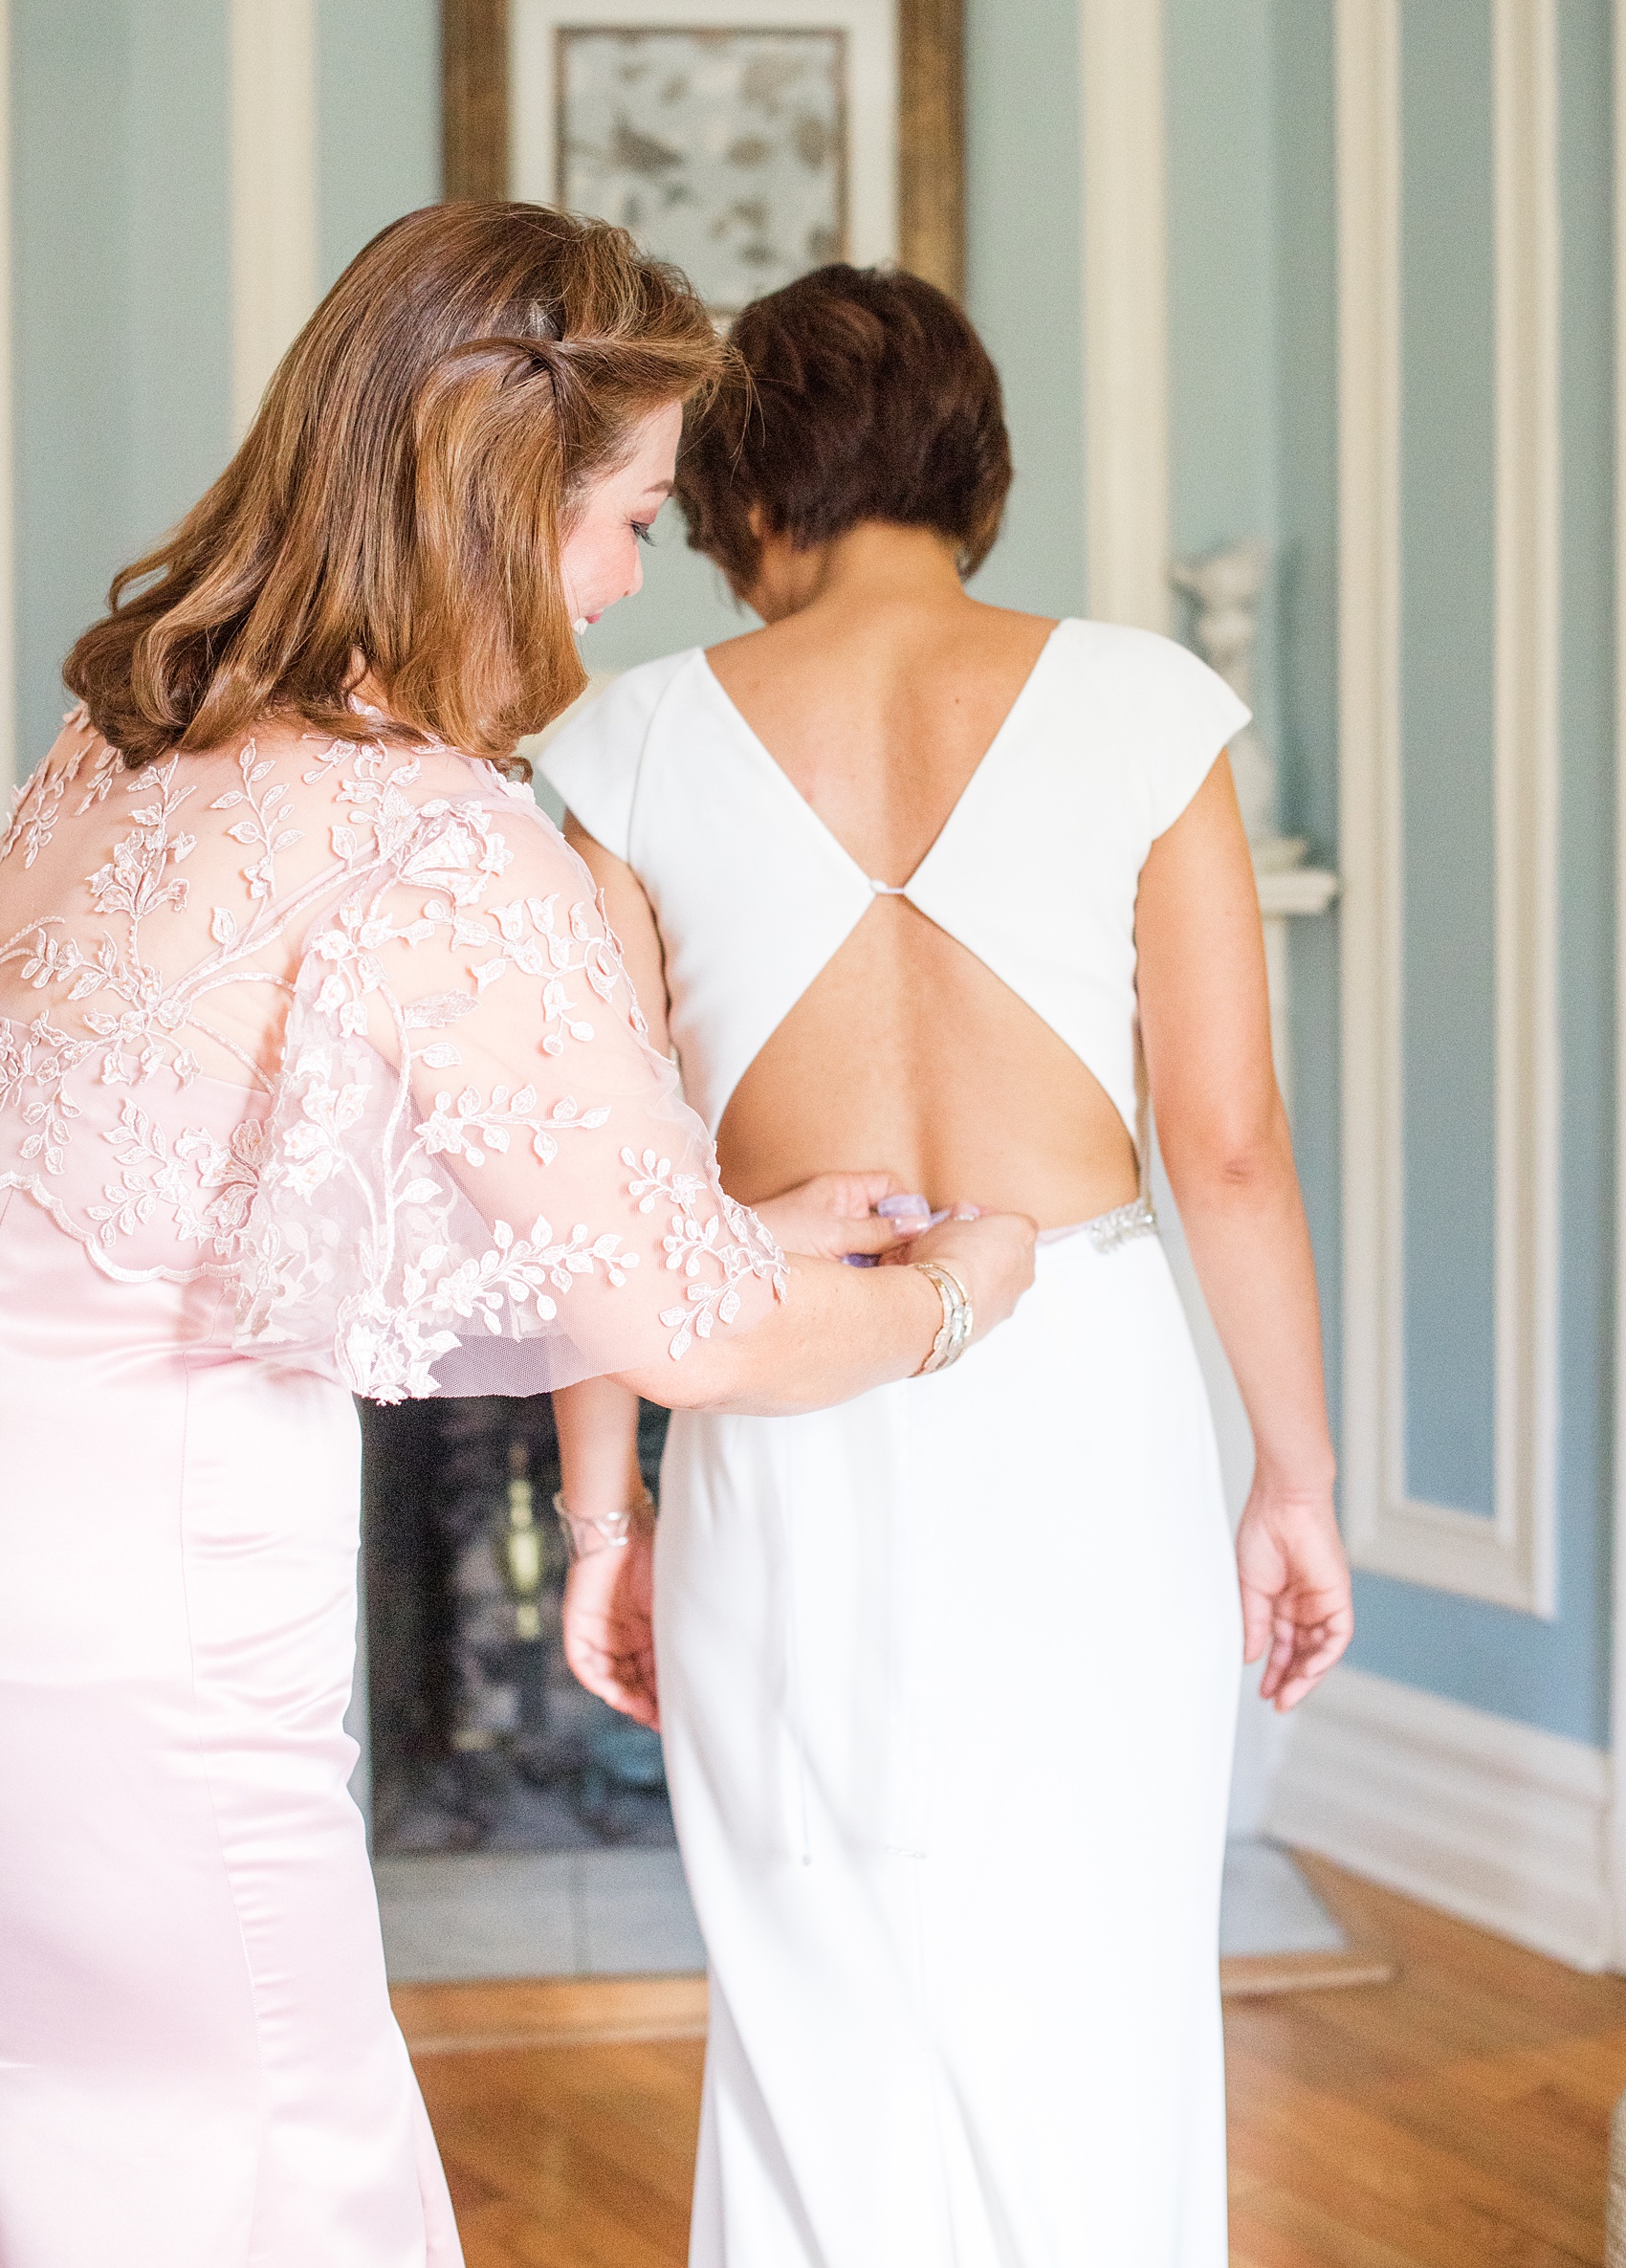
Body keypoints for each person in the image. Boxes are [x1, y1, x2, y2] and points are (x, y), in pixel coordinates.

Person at [0, 209, 1033, 2268]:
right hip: (164, 1611)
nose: (635, 577)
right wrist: (940, 1298)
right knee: (276, 2141)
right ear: (499, 503)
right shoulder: (434, 831)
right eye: (633, 513)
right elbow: (701, 1343)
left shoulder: (113, 751)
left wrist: (712, 1224)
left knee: (74, 2127)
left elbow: (219, 1221)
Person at [543, 263, 1354, 2268]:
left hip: (780, 1384)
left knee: (816, 1999)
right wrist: (1296, 1477)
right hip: (1086, 1398)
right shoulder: (1144, 701)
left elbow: (598, 1191)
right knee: (1099, 1983)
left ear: (736, 489)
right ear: (976, 463)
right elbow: (1230, 1150)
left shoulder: (629, 739)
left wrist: (597, 1513)